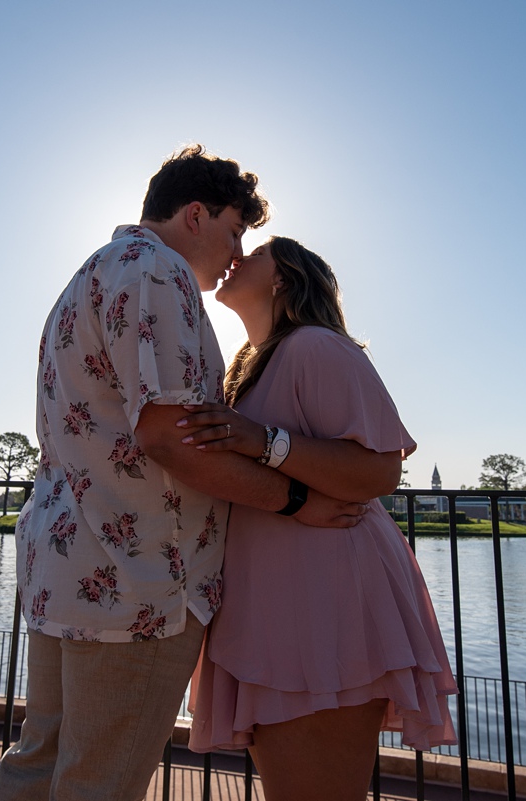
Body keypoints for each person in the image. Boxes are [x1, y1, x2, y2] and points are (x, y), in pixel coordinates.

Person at [0, 149, 368, 801]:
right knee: (98, 781)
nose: (234, 253)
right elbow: (171, 437)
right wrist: (296, 499)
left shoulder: (90, 275)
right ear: (196, 214)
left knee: (35, 764)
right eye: (234, 230)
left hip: (67, 572)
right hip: (141, 586)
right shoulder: (157, 271)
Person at [179, 236, 458, 801]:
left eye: (255, 253)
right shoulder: (249, 367)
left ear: (284, 278)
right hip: (276, 606)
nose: (237, 255)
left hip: (326, 606)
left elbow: (380, 473)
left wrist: (262, 440)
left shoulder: (315, 347)